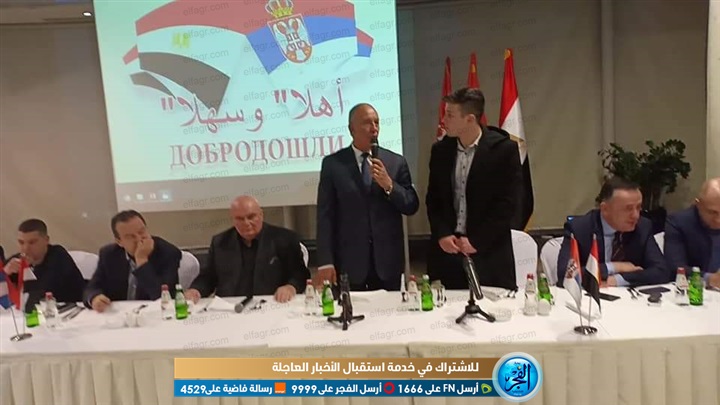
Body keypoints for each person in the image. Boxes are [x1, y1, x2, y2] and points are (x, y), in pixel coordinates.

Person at [315, 103, 419, 291]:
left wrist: (389, 185)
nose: (374, 128)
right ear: (351, 129)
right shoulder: (333, 164)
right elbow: (325, 216)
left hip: (388, 264)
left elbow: (411, 205)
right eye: (367, 123)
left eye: (376, 122)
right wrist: (325, 261)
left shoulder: (396, 162)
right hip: (349, 263)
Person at [426, 88, 521, 290]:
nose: (443, 120)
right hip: (450, 251)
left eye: (450, 115)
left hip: (489, 253)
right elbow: (433, 199)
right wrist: (442, 233)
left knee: (493, 306)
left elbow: (507, 205)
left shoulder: (503, 150)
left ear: (469, 119)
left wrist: (477, 241)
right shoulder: (440, 151)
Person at [186, 196, 309, 303]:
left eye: (251, 217)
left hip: (271, 304)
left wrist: (291, 287)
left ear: (261, 215)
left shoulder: (285, 239)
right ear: (233, 220)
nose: (246, 223)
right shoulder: (220, 242)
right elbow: (208, 277)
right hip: (230, 308)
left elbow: (299, 274)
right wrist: (196, 290)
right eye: (240, 219)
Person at [557, 177, 669, 287]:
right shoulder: (580, 229)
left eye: (638, 207)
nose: (636, 215)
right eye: (628, 208)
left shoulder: (642, 227)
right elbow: (566, 274)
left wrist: (617, 280)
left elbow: (662, 271)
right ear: (605, 209)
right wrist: (614, 267)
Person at [84, 210, 181, 312]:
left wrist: (142, 261)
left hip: (153, 313)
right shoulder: (109, 254)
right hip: (119, 313)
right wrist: (94, 298)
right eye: (130, 236)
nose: (139, 239)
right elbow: (92, 287)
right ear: (119, 242)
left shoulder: (168, 253)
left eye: (141, 232)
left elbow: (163, 297)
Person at [4, 219, 85, 303]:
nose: (25, 248)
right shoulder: (17, 260)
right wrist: (5, 273)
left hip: (70, 307)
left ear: (46, 240)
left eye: (32, 242)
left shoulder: (58, 255)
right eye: (21, 242)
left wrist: (30, 268)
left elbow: (42, 293)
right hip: (35, 309)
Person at [664, 177, 720, 288]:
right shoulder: (679, 222)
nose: (718, 220)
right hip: (697, 289)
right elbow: (675, 267)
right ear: (698, 204)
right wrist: (709, 279)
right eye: (712, 212)